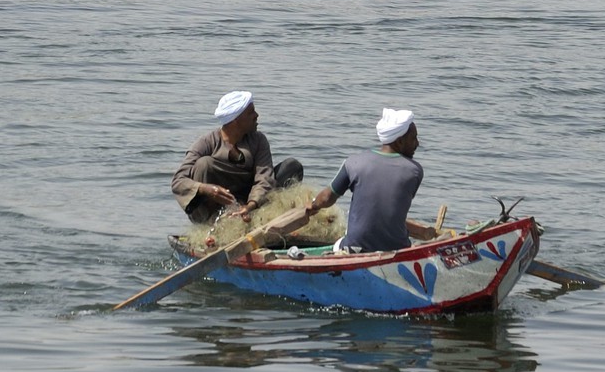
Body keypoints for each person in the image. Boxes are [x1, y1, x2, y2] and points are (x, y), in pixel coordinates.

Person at [294, 107, 438, 254]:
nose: (417, 144)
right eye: (413, 138)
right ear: (400, 141)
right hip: (398, 248)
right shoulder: (415, 171)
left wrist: (313, 205)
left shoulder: (354, 163)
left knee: (339, 242)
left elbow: (326, 198)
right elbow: (390, 212)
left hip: (356, 248)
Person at [171, 89, 304, 224]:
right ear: (236, 120)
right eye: (251, 112)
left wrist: (250, 206)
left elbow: (264, 178)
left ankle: (262, 218)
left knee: (291, 167)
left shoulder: (258, 140)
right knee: (203, 164)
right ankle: (212, 225)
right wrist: (207, 189)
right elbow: (178, 181)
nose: (256, 116)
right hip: (216, 207)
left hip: (250, 202)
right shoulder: (206, 143)